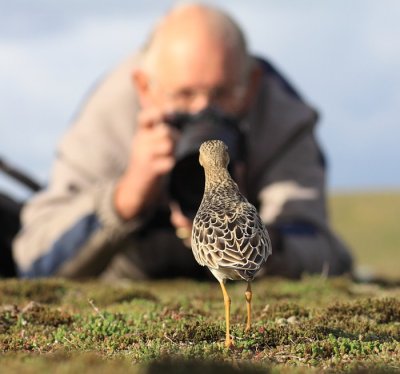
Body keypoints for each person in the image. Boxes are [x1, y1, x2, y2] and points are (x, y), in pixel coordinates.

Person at [13, 3, 353, 280]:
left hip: (243, 280)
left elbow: (323, 250)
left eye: (221, 94)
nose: (205, 112)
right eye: (184, 95)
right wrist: (124, 199)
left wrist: (249, 234)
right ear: (144, 88)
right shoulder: (111, 113)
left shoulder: (282, 118)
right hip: (128, 282)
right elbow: (34, 258)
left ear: (251, 85)